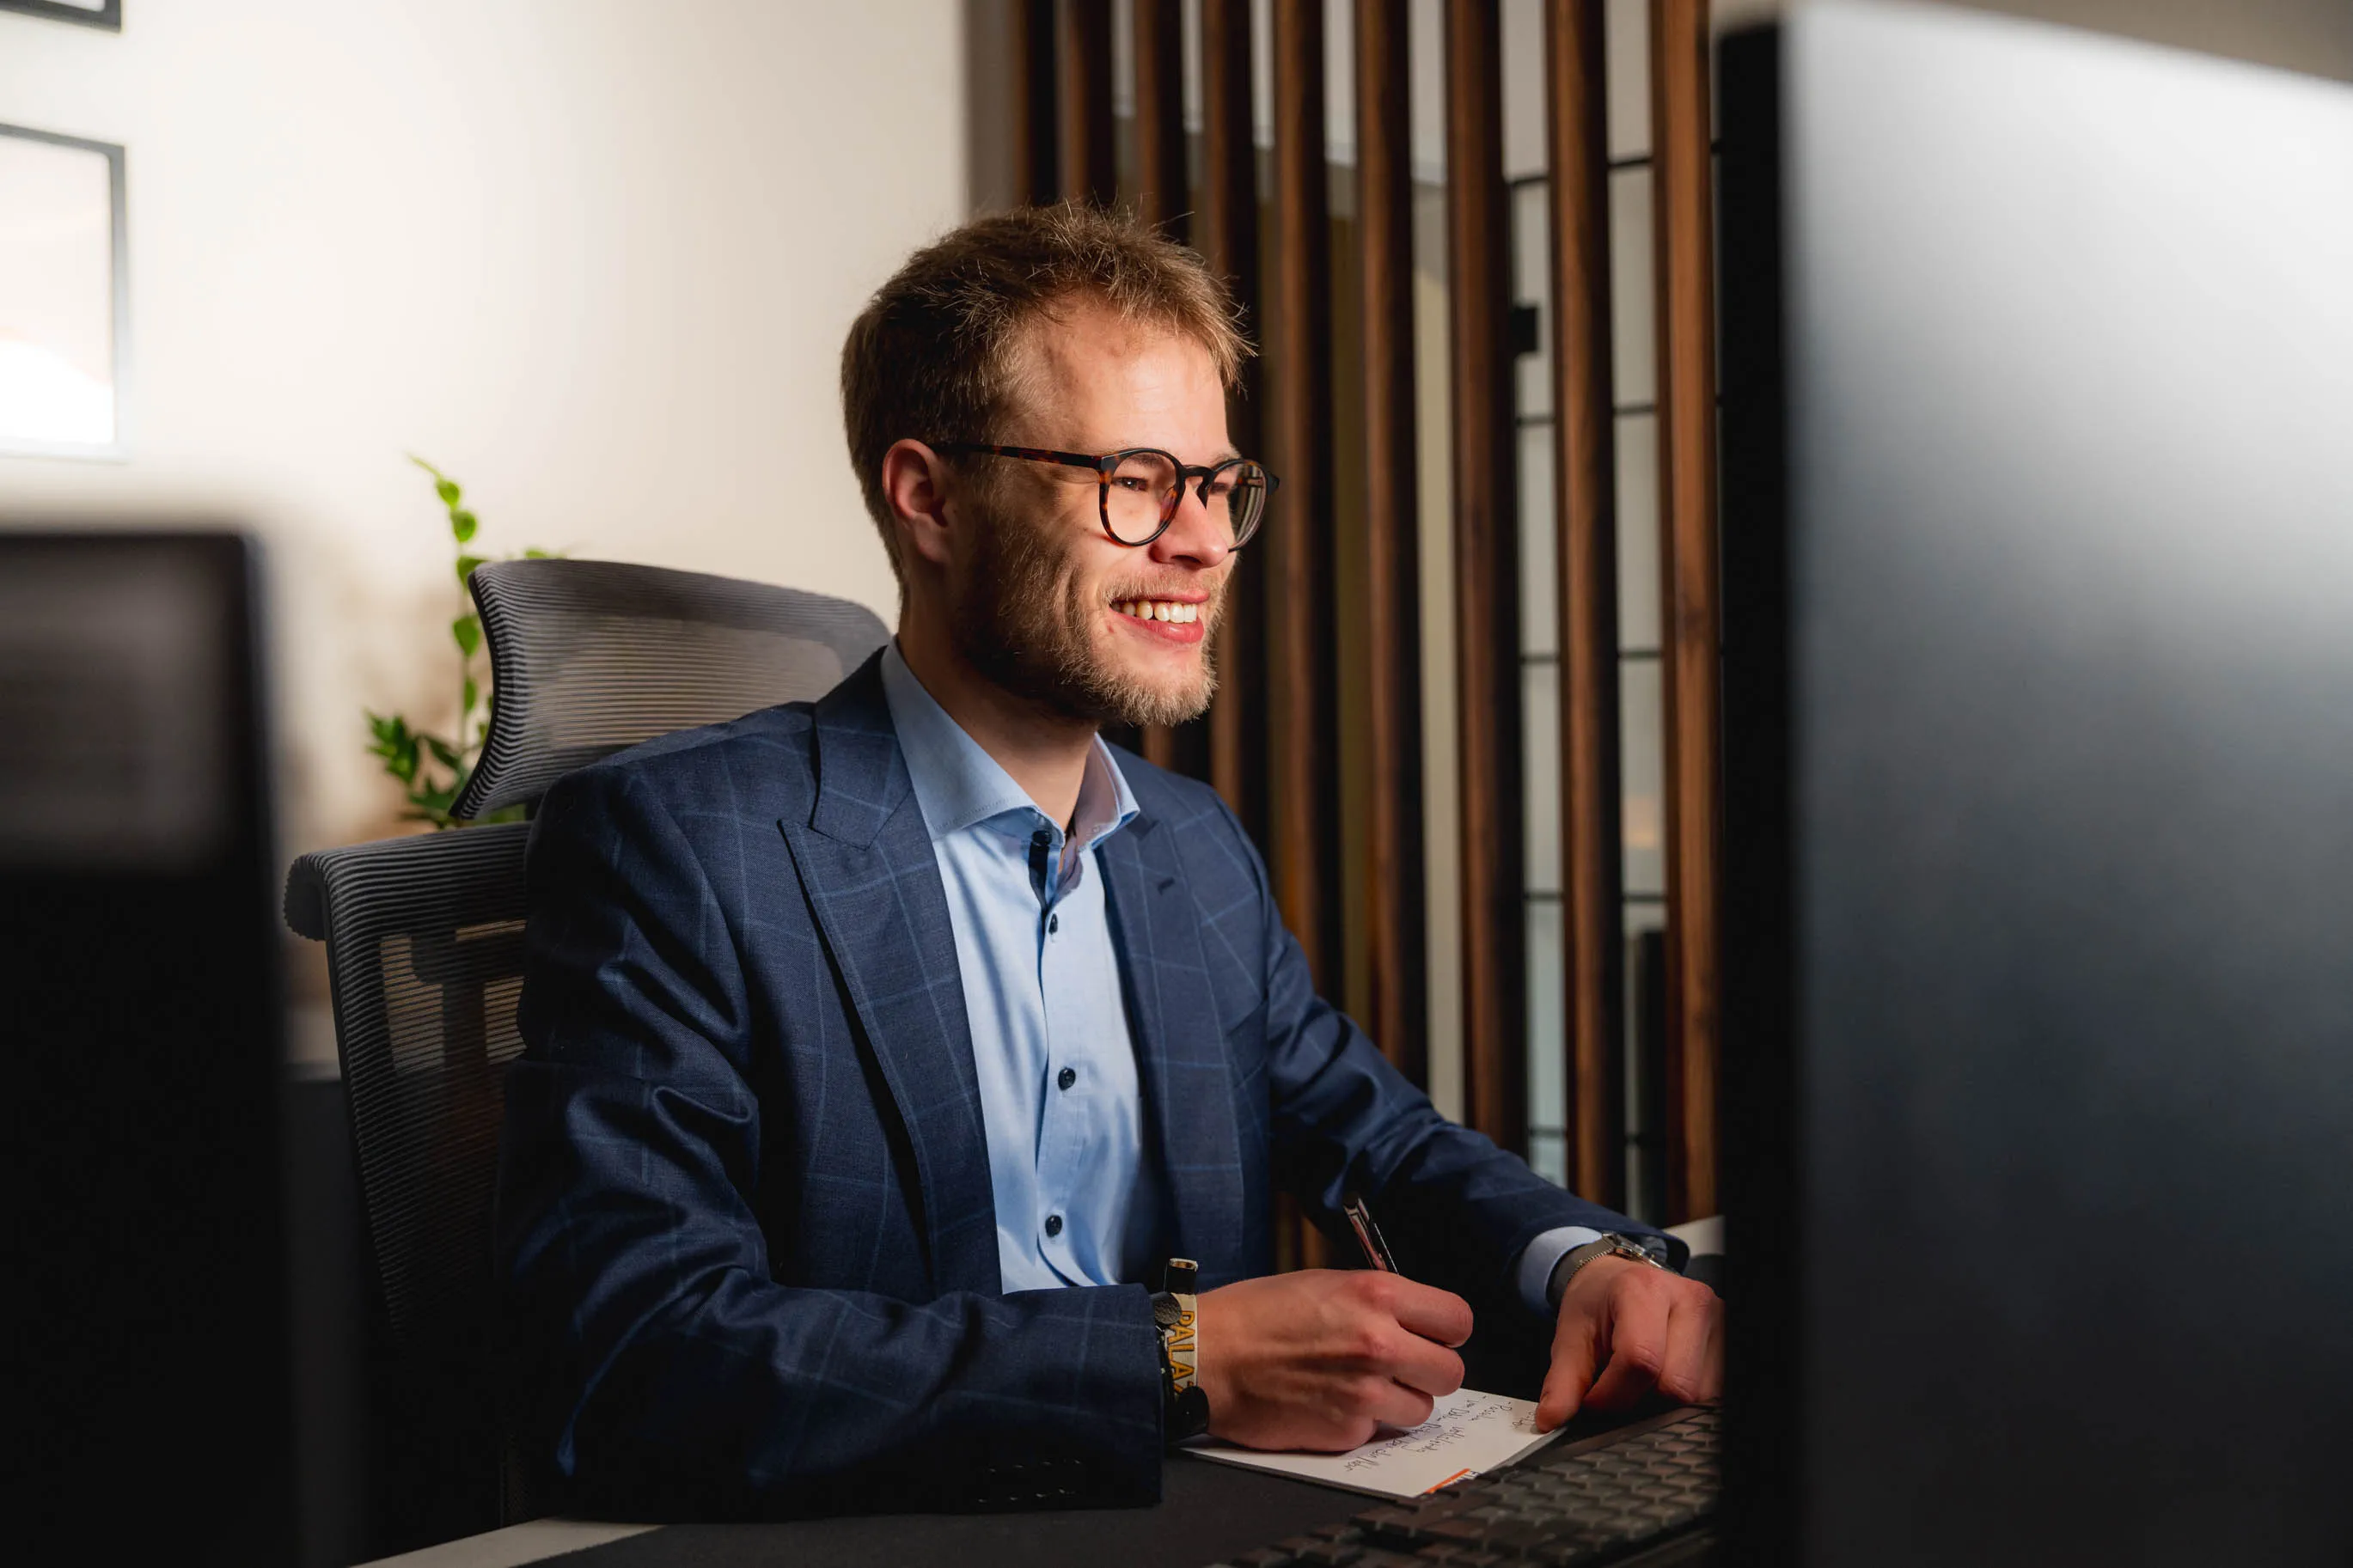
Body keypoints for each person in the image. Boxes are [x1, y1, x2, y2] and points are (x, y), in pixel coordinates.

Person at [496, 204, 1723, 1516]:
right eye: (1132, 480)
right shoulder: (681, 845)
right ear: (930, 498)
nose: (1198, 540)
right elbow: (634, 1356)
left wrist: (1584, 1265)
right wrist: (1169, 1361)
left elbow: (1385, 1144)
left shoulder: (1190, 848)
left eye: (1217, 484)